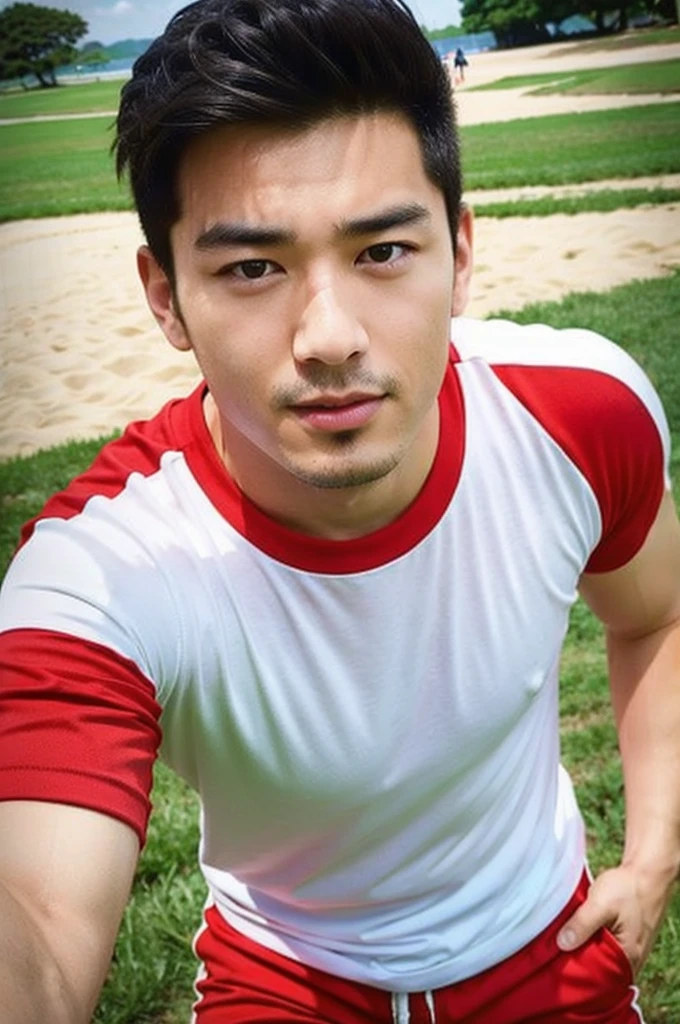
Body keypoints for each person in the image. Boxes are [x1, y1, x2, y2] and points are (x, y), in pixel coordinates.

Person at [1, 1, 679, 1021]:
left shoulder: (576, 413)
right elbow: (41, 926)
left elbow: (657, 614)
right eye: (251, 268)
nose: (327, 336)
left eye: (381, 252)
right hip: (283, 978)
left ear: (458, 245)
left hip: (551, 942)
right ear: (163, 295)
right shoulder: (105, 570)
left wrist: (652, 856)